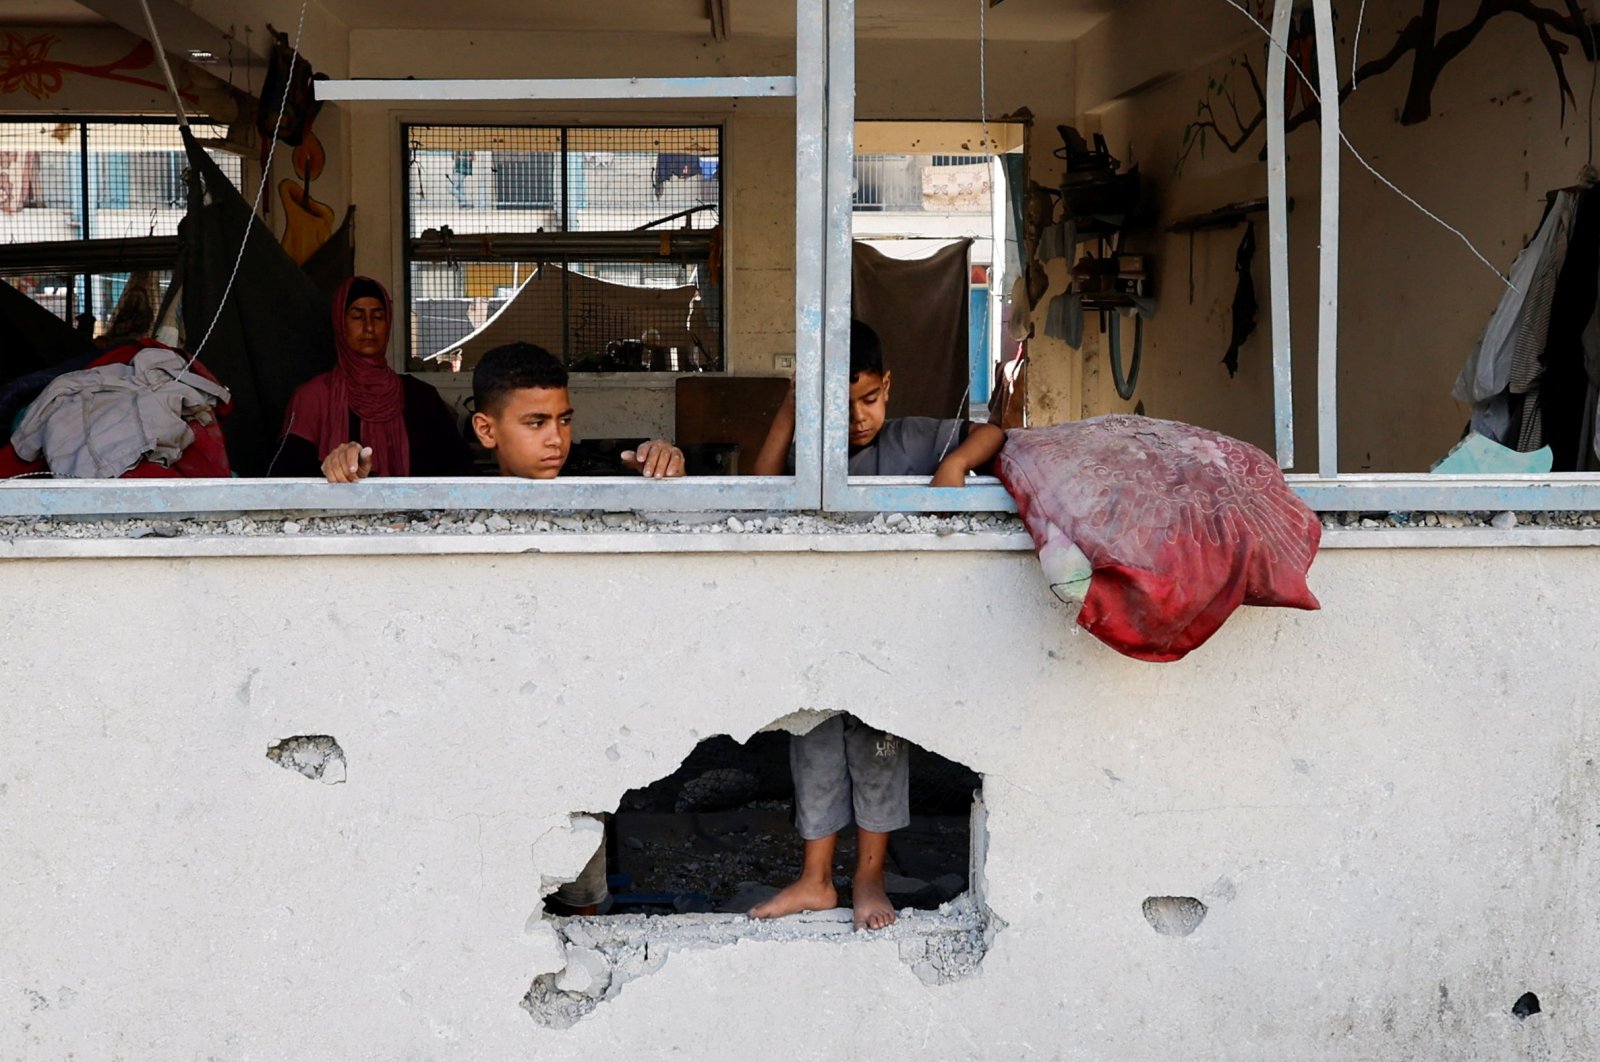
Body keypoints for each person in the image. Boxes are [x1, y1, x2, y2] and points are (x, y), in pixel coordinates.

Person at [749, 320, 1004, 931]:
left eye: (869, 399)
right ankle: (815, 880)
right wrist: (791, 410)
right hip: (815, 623)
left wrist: (956, 466)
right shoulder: (808, 452)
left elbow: (995, 432)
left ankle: (867, 876)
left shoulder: (917, 440)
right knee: (812, 743)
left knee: (879, 748)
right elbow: (757, 488)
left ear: (888, 386)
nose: (859, 418)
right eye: (840, 405)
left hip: (888, 629)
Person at [276, 275, 476, 481]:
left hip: (413, 512)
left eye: (378, 317)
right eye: (357, 316)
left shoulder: (421, 397)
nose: (369, 327)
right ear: (340, 323)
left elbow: (459, 471)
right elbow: (288, 478)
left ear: (388, 324)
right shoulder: (313, 397)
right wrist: (334, 468)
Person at [469, 341, 684, 479]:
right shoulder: (459, 513)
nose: (557, 439)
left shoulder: (599, 500)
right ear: (486, 431)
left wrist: (669, 476)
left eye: (564, 421)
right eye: (536, 423)